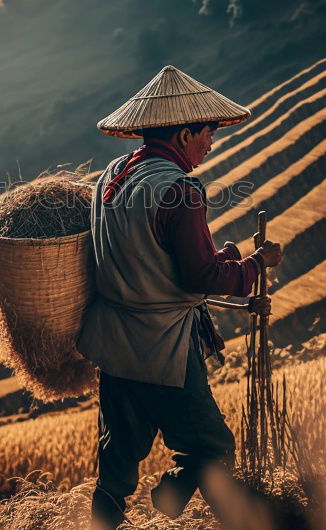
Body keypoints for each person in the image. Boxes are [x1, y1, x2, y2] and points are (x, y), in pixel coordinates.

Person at [77, 65, 284, 529]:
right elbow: (200, 276)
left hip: (113, 343)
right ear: (185, 132)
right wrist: (255, 265)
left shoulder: (112, 176)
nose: (211, 143)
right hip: (162, 345)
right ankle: (174, 498)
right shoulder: (181, 190)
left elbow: (153, 255)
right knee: (211, 446)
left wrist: (229, 255)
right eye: (208, 133)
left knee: (118, 459)